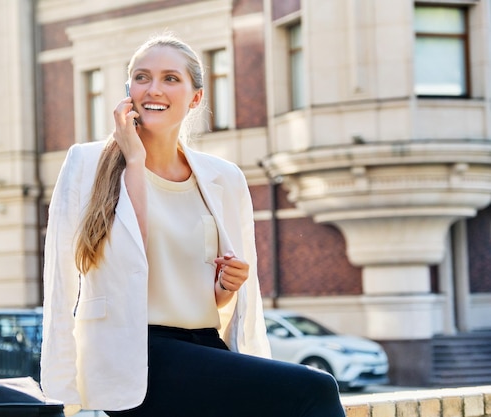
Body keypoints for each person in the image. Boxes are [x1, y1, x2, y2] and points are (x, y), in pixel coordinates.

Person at [40, 33, 346, 417]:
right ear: (128, 91)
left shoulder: (224, 178)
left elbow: (215, 300)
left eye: (170, 78)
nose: (154, 88)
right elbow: (65, 280)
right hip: (135, 355)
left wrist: (223, 287)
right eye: (141, 77)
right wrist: (62, 387)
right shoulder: (85, 164)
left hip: (203, 347)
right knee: (314, 389)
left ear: (196, 97)